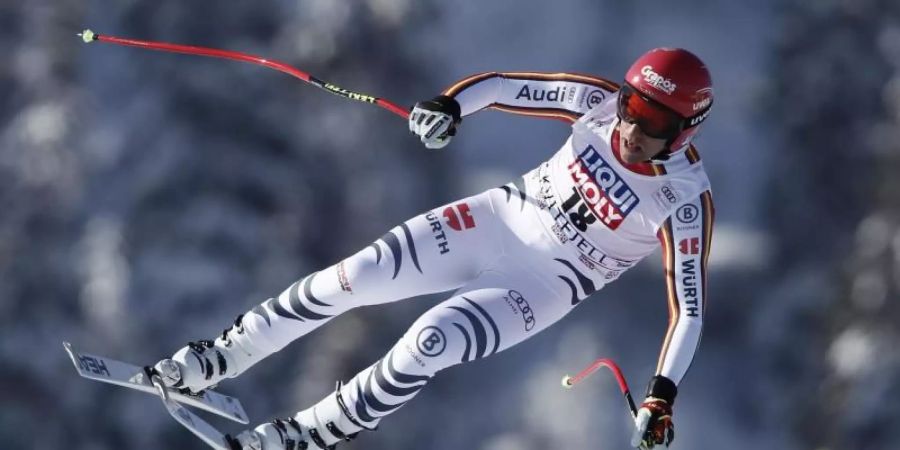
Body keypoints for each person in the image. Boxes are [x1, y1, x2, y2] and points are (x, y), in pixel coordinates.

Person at [152, 47, 714, 450]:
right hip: (499, 217)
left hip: (542, 285)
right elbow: (498, 85)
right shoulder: (596, 102)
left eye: (655, 121)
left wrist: (660, 397)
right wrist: (449, 107)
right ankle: (222, 356)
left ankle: (307, 435)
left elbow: (687, 310)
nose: (632, 128)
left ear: (686, 129)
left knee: (430, 341)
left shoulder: (684, 199)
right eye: (632, 107)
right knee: (355, 275)